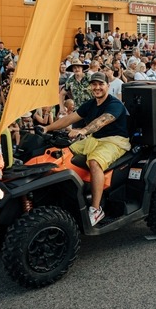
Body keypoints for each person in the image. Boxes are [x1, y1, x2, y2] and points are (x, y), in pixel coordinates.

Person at [43, 72, 131, 226]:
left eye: (100, 84)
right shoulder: (90, 104)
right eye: (94, 84)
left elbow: (102, 121)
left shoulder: (114, 104)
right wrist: (46, 128)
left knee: (95, 162)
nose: (97, 88)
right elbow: (69, 119)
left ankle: (96, 210)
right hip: (94, 139)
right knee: (64, 151)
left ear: (107, 86)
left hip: (114, 141)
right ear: (90, 86)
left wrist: (82, 131)